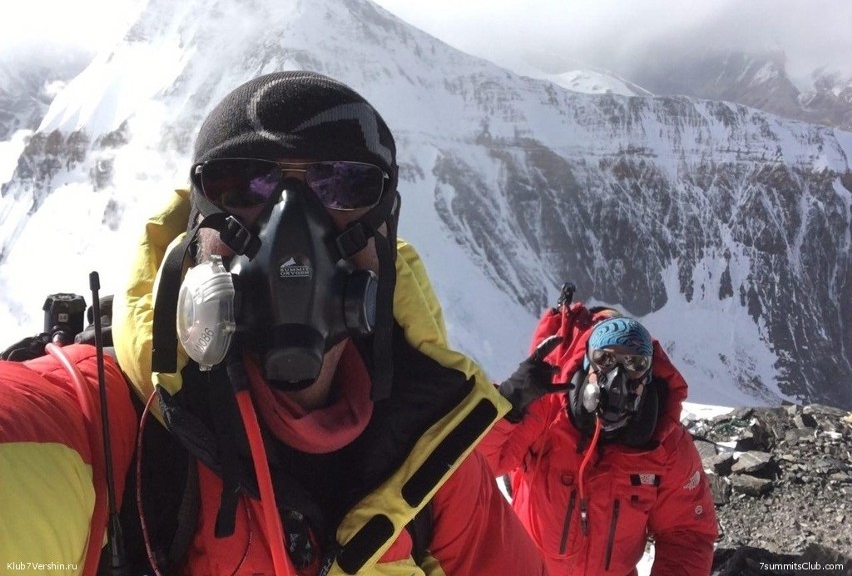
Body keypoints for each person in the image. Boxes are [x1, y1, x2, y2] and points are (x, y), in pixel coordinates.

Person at [1, 71, 548, 576]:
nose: (294, 229)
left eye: (345, 185)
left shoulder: (432, 461)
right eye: (242, 187)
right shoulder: (102, 425)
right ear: (195, 233)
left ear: (387, 231)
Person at [481, 286, 718, 576]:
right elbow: (479, 462)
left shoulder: (664, 444)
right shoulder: (547, 411)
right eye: (605, 360)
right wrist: (507, 404)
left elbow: (687, 534)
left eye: (634, 364)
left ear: (649, 374)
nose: (618, 377)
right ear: (587, 364)